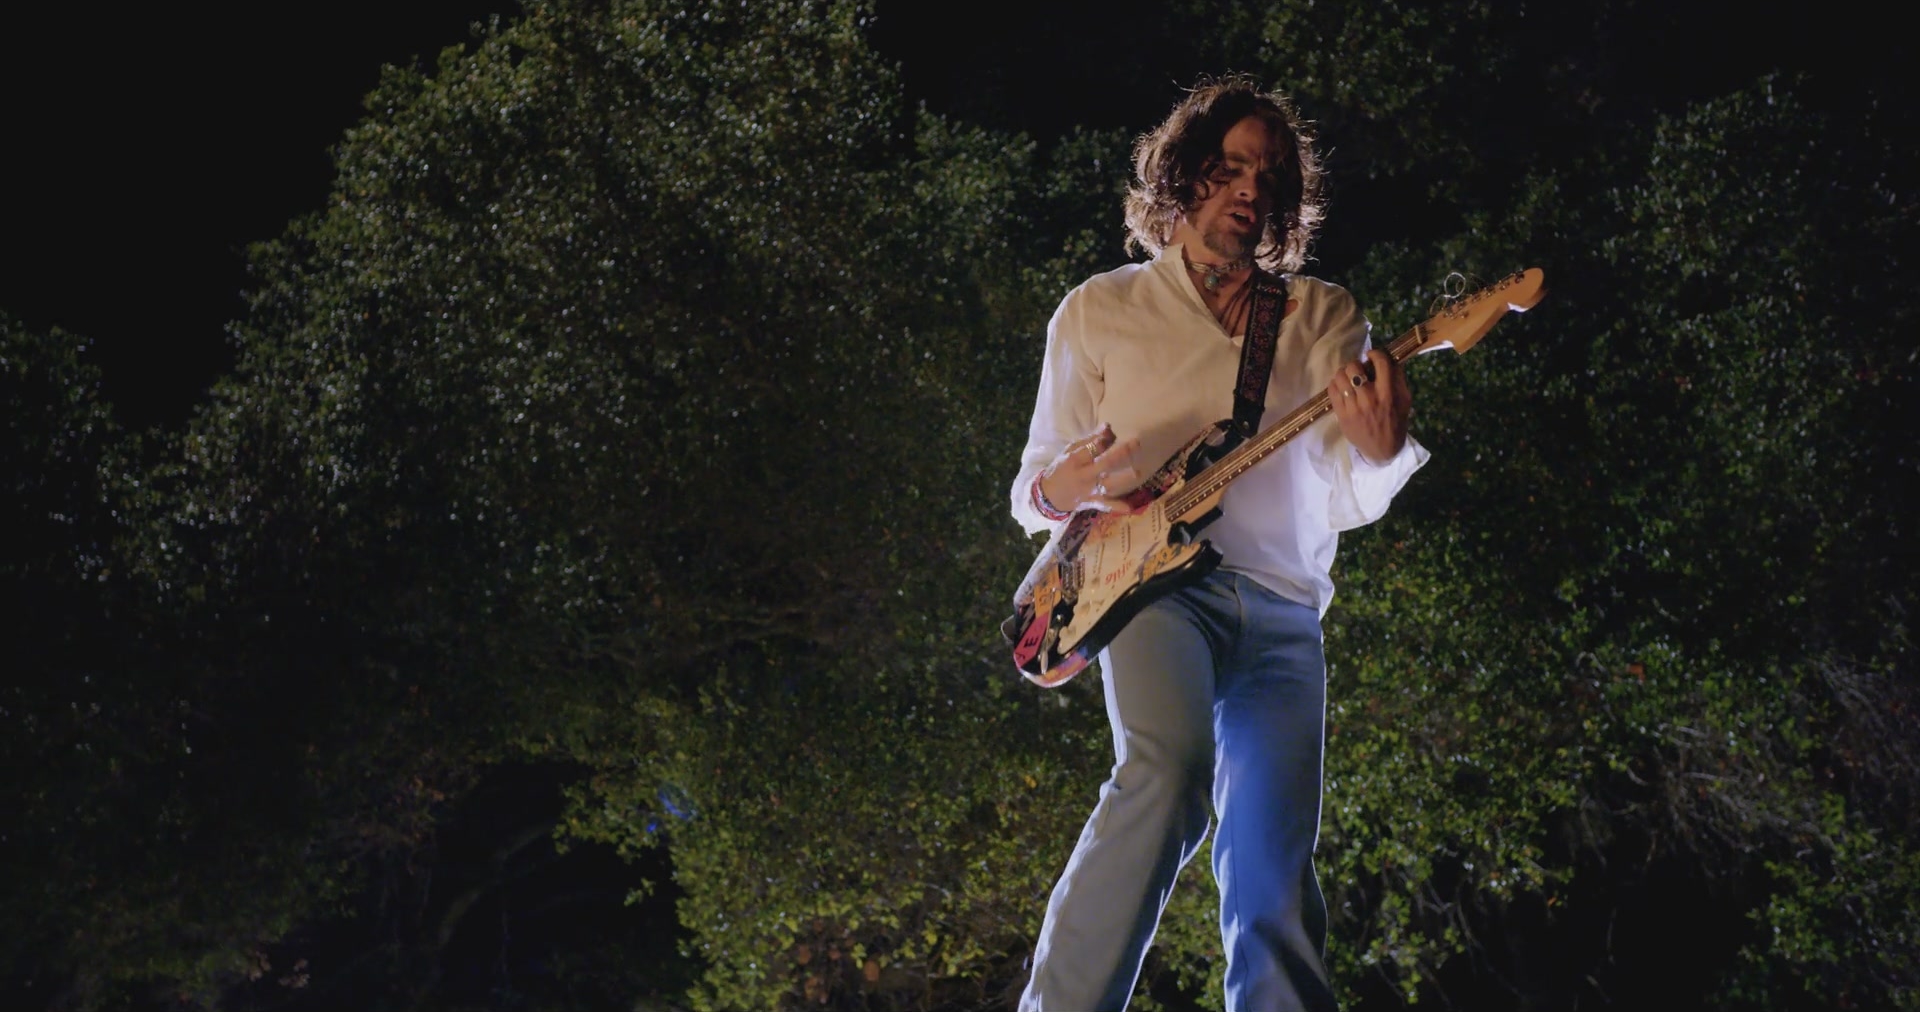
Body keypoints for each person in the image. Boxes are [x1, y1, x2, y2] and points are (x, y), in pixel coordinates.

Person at [1008, 76, 1428, 1011]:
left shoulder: (1322, 315)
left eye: (1269, 175)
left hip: (1283, 603)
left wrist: (1382, 450)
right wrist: (1059, 488)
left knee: (1274, 863)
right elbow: (1036, 486)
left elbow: (1345, 486)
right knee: (1168, 773)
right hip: (1155, 593)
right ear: (1183, 174)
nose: (1250, 188)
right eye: (1231, 167)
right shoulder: (1099, 309)